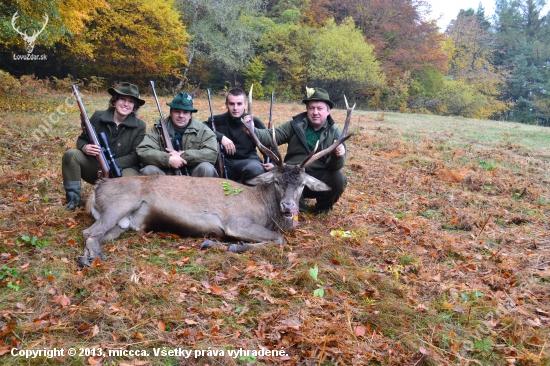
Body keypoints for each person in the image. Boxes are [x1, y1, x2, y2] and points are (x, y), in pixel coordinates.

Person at [252, 87, 347, 214]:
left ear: (328, 111)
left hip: (317, 176)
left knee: (339, 179)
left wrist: (337, 156)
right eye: (311, 108)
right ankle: (297, 208)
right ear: (307, 110)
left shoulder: (335, 133)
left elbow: (336, 166)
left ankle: (322, 210)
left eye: (320, 108)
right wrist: (252, 130)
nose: (315, 112)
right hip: (291, 175)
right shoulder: (295, 125)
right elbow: (269, 136)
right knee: (295, 211)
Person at [62, 82, 147, 210]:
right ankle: (73, 201)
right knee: (71, 155)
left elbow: (136, 156)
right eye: (122, 99)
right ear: (114, 101)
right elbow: (82, 139)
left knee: (130, 183)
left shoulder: (140, 125)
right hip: (96, 168)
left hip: (123, 169)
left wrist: (109, 165)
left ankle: (122, 208)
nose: (126, 104)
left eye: (131, 101)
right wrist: (85, 147)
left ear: (134, 106)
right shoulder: (98, 116)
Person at [137, 92, 218, 177]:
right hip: (165, 173)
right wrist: (168, 159)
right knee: (149, 170)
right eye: (177, 111)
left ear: (190, 115)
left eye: (185, 112)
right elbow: (143, 151)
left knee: (206, 168)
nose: (181, 115)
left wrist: (181, 156)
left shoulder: (203, 130)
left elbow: (212, 154)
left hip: (193, 174)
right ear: (170, 113)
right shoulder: (158, 128)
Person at [204, 87, 269, 183]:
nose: (235, 108)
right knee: (208, 168)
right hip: (224, 161)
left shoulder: (254, 122)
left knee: (256, 169)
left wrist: (272, 164)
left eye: (239, 104)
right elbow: (201, 129)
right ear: (226, 105)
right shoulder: (217, 120)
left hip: (248, 161)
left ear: (245, 105)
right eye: (231, 104)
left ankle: (240, 189)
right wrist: (220, 137)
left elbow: (268, 142)